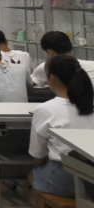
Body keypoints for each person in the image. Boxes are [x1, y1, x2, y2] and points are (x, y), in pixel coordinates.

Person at [30, 55, 94, 197]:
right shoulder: (89, 104)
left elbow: (38, 156)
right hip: (91, 171)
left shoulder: (46, 109)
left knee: (35, 173)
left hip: (65, 175)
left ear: (52, 78)